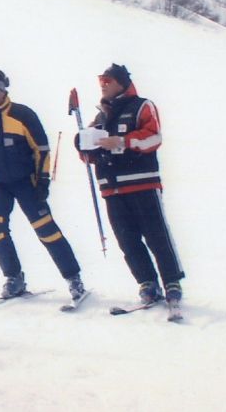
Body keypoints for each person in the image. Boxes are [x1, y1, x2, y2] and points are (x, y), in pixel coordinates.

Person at [0, 69, 86, 302]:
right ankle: (13, 278)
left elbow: (42, 150)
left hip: (26, 183)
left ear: (4, 90)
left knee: (46, 230)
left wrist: (43, 182)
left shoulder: (22, 115)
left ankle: (74, 279)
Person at [76, 63, 184, 306]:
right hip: (111, 188)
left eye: (108, 81)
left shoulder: (142, 106)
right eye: (100, 81)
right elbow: (88, 156)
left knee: (157, 235)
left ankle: (172, 282)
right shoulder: (100, 118)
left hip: (141, 184)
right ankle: (147, 282)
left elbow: (154, 138)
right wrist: (82, 144)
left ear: (122, 83)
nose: (103, 86)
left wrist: (122, 141)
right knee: (127, 240)